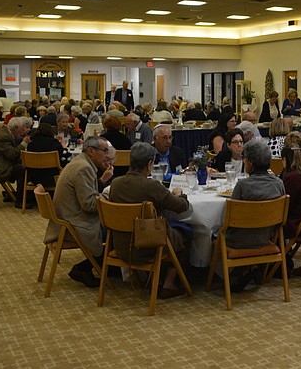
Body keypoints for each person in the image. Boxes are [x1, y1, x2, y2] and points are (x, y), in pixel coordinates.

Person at [109, 142, 192, 298]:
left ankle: (154, 278)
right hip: (149, 247)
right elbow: (181, 207)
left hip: (121, 246)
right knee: (186, 233)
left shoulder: (115, 184)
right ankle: (169, 283)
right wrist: (179, 193)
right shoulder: (151, 186)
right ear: (149, 164)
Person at [42, 136, 114, 288]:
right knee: (119, 229)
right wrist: (108, 196)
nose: (107, 155)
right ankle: (88, 267)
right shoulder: (84, 168)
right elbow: (88, 204)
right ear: (91, 151)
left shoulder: (79, 162)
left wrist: (101, 181)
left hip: (65, 219)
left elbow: (84, 192)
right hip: (75, 224)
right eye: (104, 151)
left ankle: (105, 266)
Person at [226, 139, 286, 292]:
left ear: (250, 163)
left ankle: (229, 273)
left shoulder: (243, 186)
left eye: (245, 159)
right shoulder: (278, 183)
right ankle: (249, 269)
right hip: (265, 237)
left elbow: (230, 218)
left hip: (238, 242)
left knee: (213, 233)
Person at [0, 116, 32, 206]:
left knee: (23, 166)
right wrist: (24, 143)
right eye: (21, 129)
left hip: (0, 162)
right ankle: (20, 200)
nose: (22, 131)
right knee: (23, 169)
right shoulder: (4, 137)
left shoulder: (6, 133)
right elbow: (11, 155)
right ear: (15, 129)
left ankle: (25, 196)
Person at [25, 122, 66, 197]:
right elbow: (63, 157)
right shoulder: (55, 143)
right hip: (52, 177)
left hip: (34, 177)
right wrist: (64, 146)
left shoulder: (31, 145)